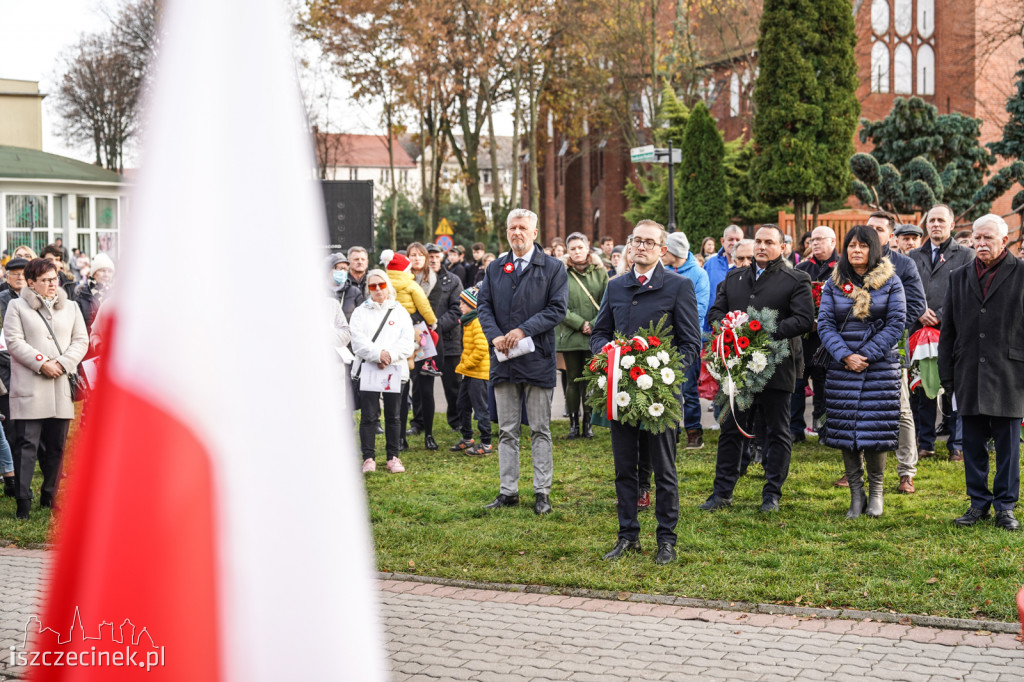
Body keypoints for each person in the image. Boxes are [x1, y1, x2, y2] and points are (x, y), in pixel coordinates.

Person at [591, 220, 701, 565]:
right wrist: (608, 355)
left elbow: (691, 343)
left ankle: (666, 540)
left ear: (661, 250)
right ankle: (627, 536)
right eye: (636, 241)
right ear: (628, 245)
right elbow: (599, 332)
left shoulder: (679, 286)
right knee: (625, 469)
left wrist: (664, 375)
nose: (641, 247)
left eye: (649, 242)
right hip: (622, 392)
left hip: (660, 397)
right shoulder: (616, 286)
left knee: (664, 470)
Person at [701, 224, 814, 513]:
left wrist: (762, 332)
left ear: (782, 247)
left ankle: (771, 494)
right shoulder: (734, 277)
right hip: (738, 370)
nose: (762, 247)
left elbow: (803, 320)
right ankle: (721, 493)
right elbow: (715, 312)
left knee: (777, 431)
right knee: (731, 429)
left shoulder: (796, 278)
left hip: (777, 367)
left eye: (769, 242)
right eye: (758, 242)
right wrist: (730, 327)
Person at [477, 208, 568, 515]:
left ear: (534, 233)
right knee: (507, 429)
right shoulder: (495, 268)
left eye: (522, 228)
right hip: (504, 360)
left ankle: (542, 491)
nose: (516, 232)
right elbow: (483, 306)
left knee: (540, 428)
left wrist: (522, 330)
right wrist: (494, 335)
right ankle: (508, 491)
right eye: (511, 228)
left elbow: (557, 310)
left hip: (537, 358)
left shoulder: (553, 268)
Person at [939, 214, 1023, 531]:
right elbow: (948, 331)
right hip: (968, 373)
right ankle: (978, 504)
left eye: (988, 237)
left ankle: (1005, 506)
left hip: (1010, 374)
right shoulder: (958, 277)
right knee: (972, 444)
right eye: (977, 237)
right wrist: (948, 377)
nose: (981, 243)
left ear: (1004, 240)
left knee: (1008, 447)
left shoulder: (1021, 273)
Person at [817, 226, 906, 519]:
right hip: (843, 367)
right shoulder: (834, 283)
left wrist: (865, 355)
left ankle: (877, 492)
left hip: (878, 367)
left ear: (875, 249)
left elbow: (896, 324)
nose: (856, 250)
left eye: (863, 245)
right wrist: (845, 355)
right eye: (852, 245)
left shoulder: (891, 282)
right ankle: (857, 494)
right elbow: (825, 324)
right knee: (845, 430)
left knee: (874, 429)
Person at [5, 258, 89, 518]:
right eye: (46, 280)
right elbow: (14, 341)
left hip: (60, 385)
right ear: (31, 283)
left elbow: (80, 341)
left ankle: (49, 495)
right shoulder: (16, 306)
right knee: (26, 445)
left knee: (57, 446)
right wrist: (42, 363)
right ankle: (23, 500)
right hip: (30, 386)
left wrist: (62, 364)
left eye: (55, 279)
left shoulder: (72, 307)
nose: (53, 284)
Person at [864, 212, 927, 494]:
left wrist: (886, 332)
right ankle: (858, 468)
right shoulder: (853, 260)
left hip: (891, 345)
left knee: (900, 408)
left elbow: (916, 304)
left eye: (879, 229)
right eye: (868, 228)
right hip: (855, 347)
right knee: (859, 406)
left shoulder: (904, 264)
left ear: (891, 236)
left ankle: (906, 472)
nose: (872, 233)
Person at [908, 204, 974, 461]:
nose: (936, 224)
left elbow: (968, 291)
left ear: (951, 224)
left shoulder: (966, 255)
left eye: (941, 220)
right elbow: (906, 290)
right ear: (926, 225)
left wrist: (941, 314)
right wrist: (919, 311)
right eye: (932, 220)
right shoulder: (913, 255)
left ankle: (956, 444)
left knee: (956, 387)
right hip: (920, 330)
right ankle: (925, 442)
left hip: (953, 331)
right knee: (925, 386)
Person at [351, 269, 415, 474]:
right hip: (370, 369)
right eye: (372, 286)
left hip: (395, 369)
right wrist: (378, 355)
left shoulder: (400, 311)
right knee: (369, 415)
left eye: (381, 284)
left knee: (394, 415)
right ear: (368, 289)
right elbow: (357, 340)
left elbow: (407, 341)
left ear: (387, 285)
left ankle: (393, 457)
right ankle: (368, 458)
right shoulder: (361, 312)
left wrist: (389, 355)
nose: (377, 289)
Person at [408, 243, 463, 447]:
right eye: (428, 256)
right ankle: (418, 422)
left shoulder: (452, 280)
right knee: (420, 385)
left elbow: (458, 309)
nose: (432, 259)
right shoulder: (411, 280)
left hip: (448, 341)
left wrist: (436, 327)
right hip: (418, 341)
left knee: (452, 384)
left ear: (442, 257)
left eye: (435, 256)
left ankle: (456, 420)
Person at [660, 231, 710, 449]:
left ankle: (693, 430)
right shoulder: (661, 271)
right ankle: (672, 430)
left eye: (665, 248)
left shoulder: (698, 275)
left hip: (688, 340)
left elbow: (698, 310)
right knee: (668, 388)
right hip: (664, 341)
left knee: (688, 389)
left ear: (674, 251)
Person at [556, 232, 608, 440]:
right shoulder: (561, 274)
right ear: (568, 252)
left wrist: (594, 324)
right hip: (570, 333)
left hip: (594, 335)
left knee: (590, 380)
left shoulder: (600, 272)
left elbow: (606, 301)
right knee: (572, 380)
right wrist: (580, 324)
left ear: (588, 248)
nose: (577, 252)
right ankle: (572, 425)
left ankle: (588, 423)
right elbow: (560, 305)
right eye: (572, 249)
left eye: (580, 247)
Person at [793, 226, 838, 444]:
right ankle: (795, 429)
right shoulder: (801, 268)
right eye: (813, 240)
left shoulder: (841, 269)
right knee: (797, 383)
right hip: (803, 338)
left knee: (824, 385)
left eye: (821, 239)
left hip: (829, 339)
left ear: (833, 242)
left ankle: (824, 429)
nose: (815, 243)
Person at [453, 287, 492, 455]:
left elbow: (481, 348)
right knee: (462, 405)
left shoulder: (478, 321)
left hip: (479, 373)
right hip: (469, 372)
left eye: (463, 302)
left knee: (481, 408)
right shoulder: (468, 321)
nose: (460, 305)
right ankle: (467, 438)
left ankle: (486, 443)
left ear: (472, 305)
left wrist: (465, 364)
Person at [703, 224, 744, 331]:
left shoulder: (746, 266)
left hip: (739, 331)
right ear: (722, 241)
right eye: (730, 239)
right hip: (710, 328)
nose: (734, 243)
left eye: (738, 240)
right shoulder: (710, 264)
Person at [75, 252, 115, 336]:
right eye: (102, 270)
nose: (106, 274)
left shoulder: (116, 294)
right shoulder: (82, 294)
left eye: (109, 271)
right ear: (93, 273)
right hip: (88, 343)